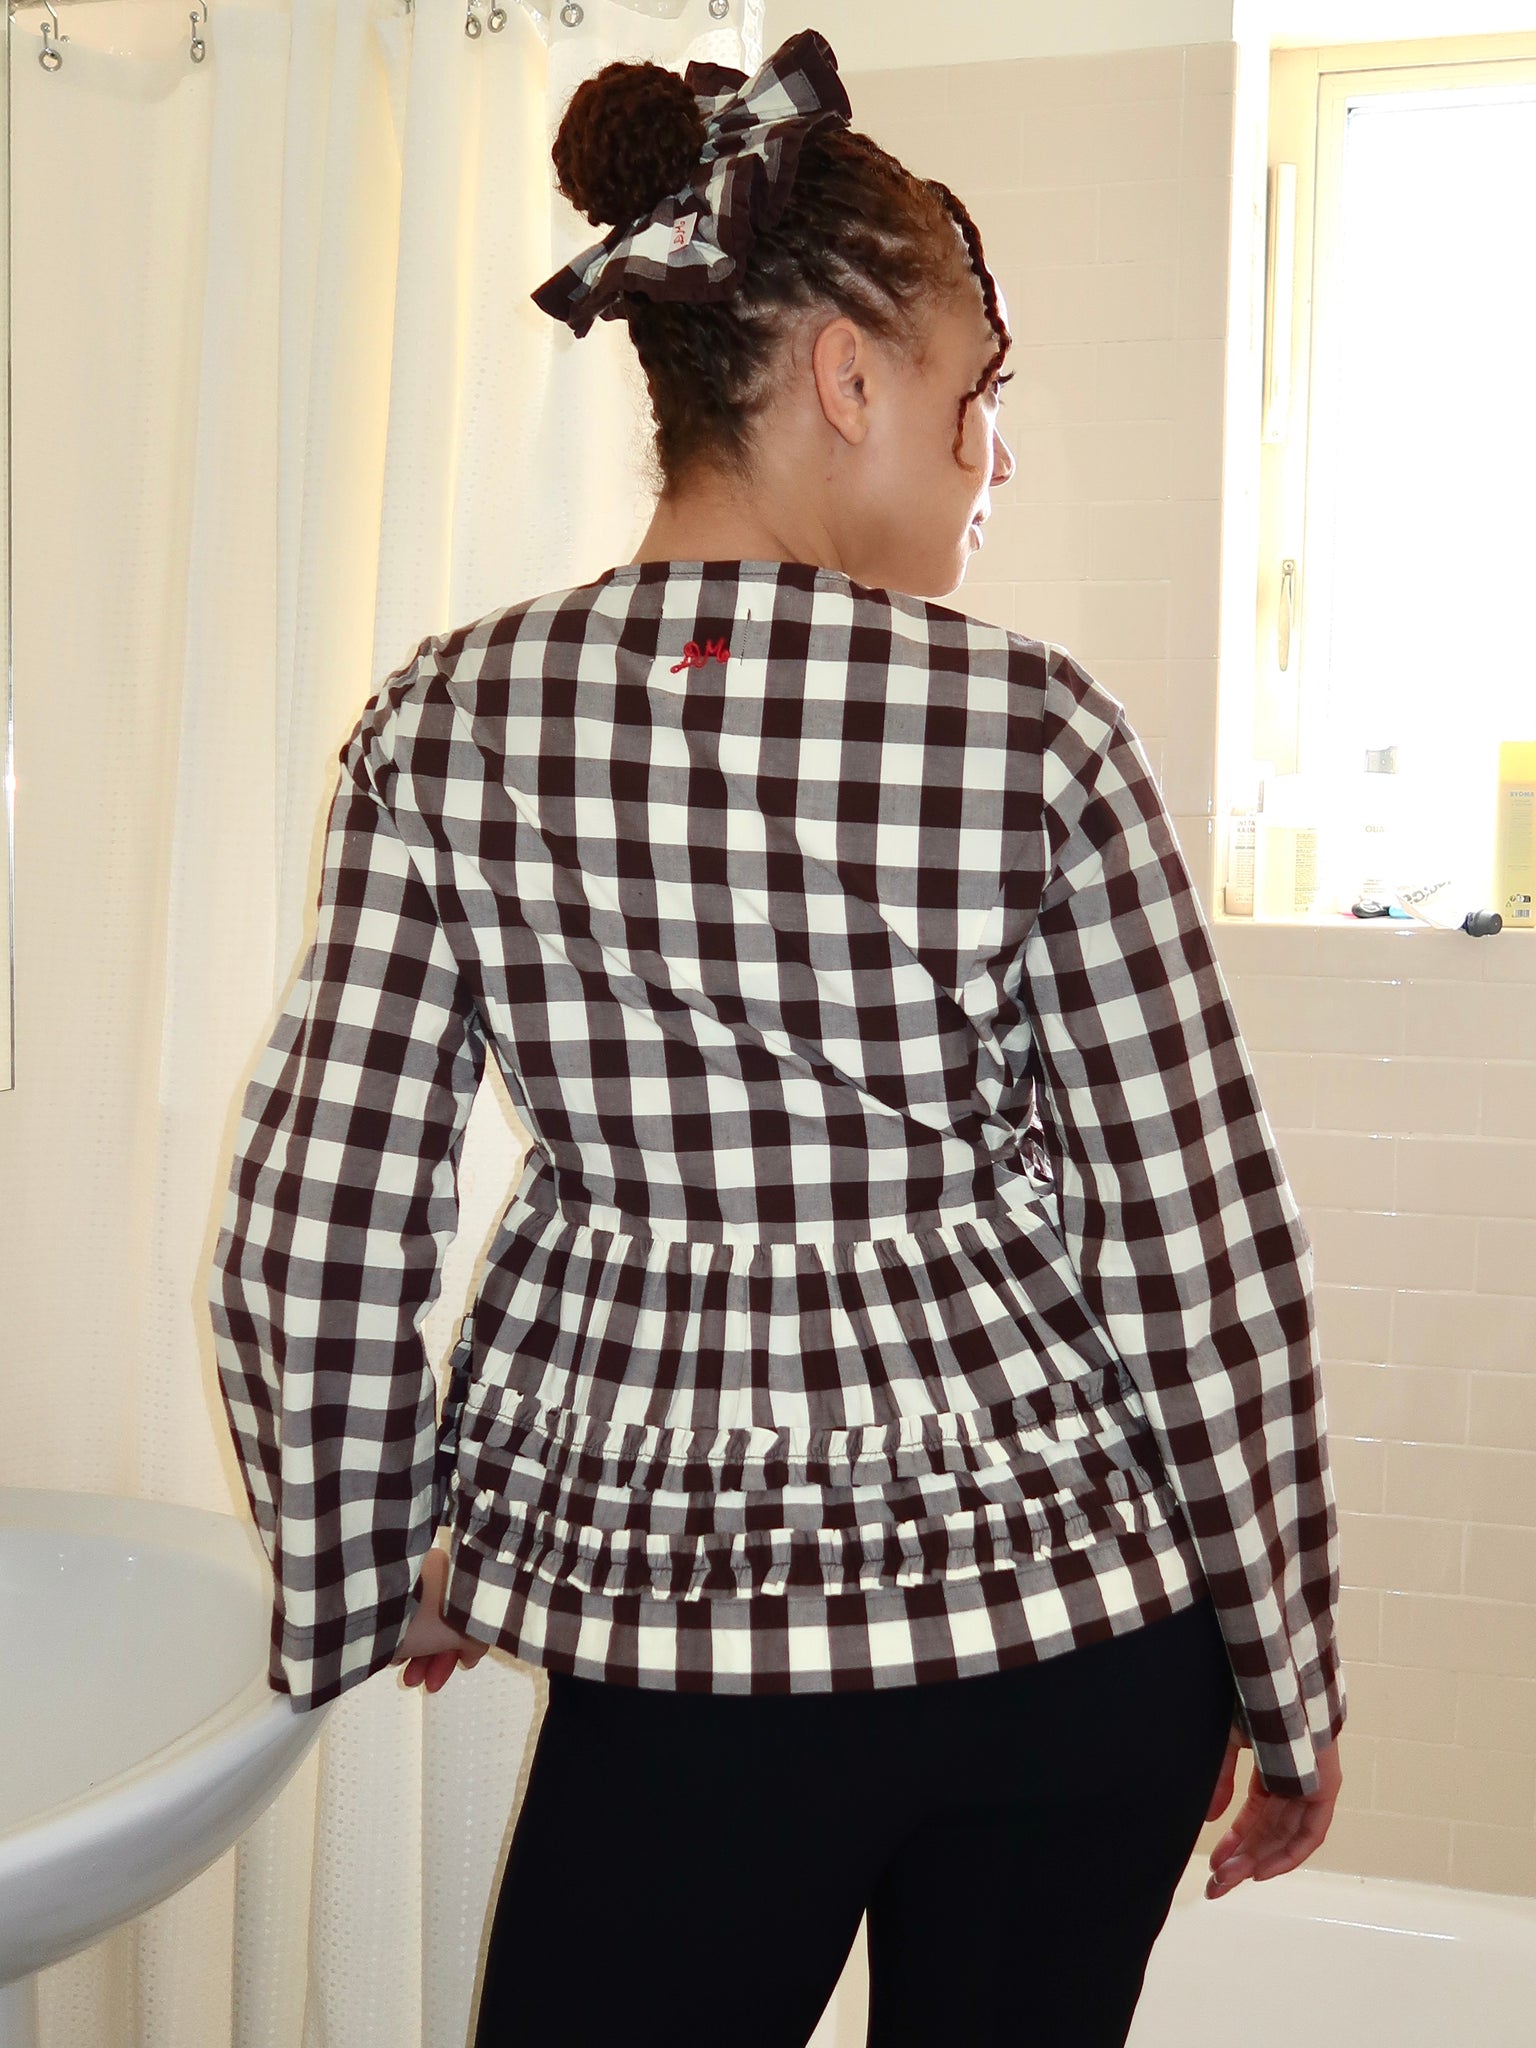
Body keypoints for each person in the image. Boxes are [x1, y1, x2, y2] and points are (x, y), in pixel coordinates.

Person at [208, 27, 1345, 2048]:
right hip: (1085, 1653)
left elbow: (316, 1222)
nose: (997, 459)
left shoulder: (450, 724)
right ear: (847, 378)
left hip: (696, 1662)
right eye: (980, 398)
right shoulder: (1040, 731)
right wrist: (1289, 1667)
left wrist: (372, 1557)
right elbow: (1203, 1250)